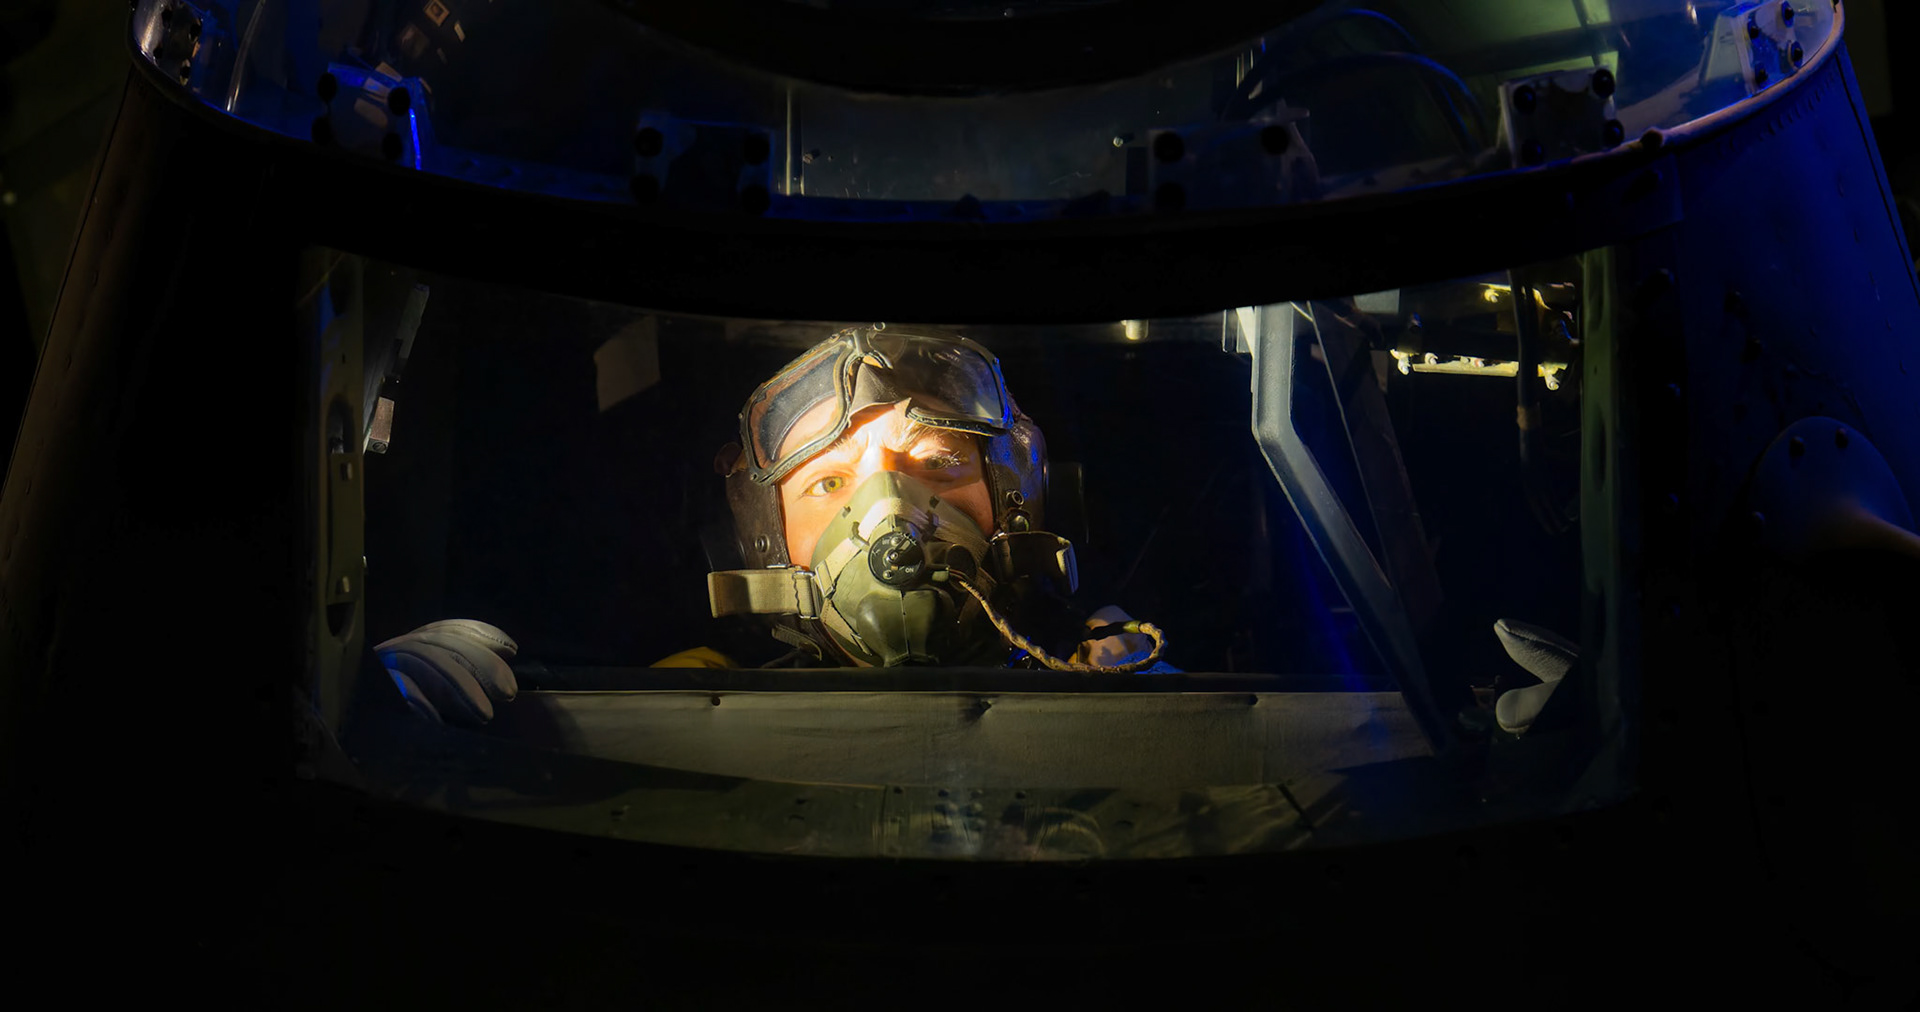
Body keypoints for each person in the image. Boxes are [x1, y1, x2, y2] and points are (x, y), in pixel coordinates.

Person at [378, 326, 1169, 727]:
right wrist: (399, 700)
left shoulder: (1102, 664)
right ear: (768, 542)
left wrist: (1153, 697)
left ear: (1015, 503)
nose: (890, 508)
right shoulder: (697, 690)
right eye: (829, 483)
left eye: (936, 462)